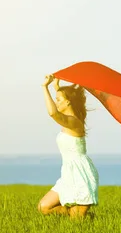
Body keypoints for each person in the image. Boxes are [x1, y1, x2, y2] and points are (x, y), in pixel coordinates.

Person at [37, 74, 99, 219]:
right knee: (44, 207)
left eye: (58, 100)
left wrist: (44, 87)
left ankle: (85, 219)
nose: (56, 103)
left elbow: (53, 112)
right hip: (67, 174)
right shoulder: (70, 119)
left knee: (76, 222)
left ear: (68, 103)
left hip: (81, 174)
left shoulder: (75, 122)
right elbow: (62, 102)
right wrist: (57, 87)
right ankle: (84, 216)